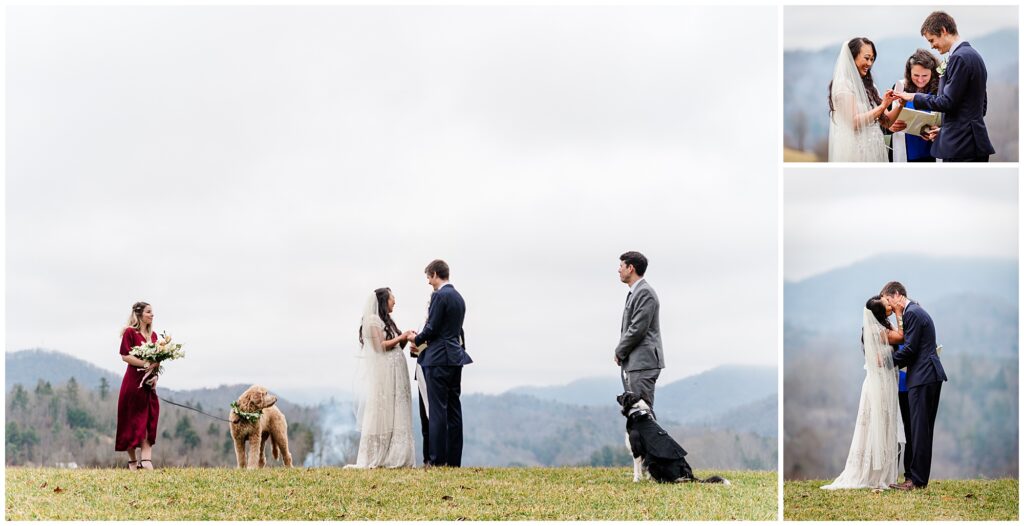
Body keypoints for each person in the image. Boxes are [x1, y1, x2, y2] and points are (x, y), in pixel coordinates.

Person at [822, 295, 905, 490]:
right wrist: (900, 314)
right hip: (878, 385)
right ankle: (872, 474)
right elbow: (901, 337)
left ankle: (880, 471)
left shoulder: (882, 326)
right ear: (878, 314)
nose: (890, 307)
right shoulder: (877, 330)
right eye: (886, 306)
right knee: (876, 425)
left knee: (884, 424)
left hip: (885, 382)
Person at [893, 11, 996, 162]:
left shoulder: (959, 58)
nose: (932, 46)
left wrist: (913, 97)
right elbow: (981, 107)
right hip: (971, 142)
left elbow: (947, 102)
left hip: (960, 147)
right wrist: (945, 130)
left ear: (943, 30)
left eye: (932, 40)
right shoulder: (973, 55)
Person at [882, 282, 947, 490]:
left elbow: (910, 349)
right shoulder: (913, 312)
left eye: (889, 300)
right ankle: (917, 479)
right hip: (925, 376)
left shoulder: (912, 314)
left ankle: (916, 481)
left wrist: (886, 362)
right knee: (921, 429)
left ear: (898, 295)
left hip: (923, 376)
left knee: (920, 430)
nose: (890, 307)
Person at [346, 288, 417, 469]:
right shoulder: (372, 321)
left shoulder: (387, 321)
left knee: (397, 409)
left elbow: (395, 343)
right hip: (385, 373)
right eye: (393, 298)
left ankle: (399, 453)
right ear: (384, 301)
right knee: (384, 410)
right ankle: (380, 454)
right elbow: (380, 346)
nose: (395, 302)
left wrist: (406, 337)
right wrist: (401, 336)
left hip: (397, 371)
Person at [411, 259, 472, 467]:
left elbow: (432, 328)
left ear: (436, 274)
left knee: (437, 410)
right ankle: (454, 460)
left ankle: (437, 460)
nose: (429, 282)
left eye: (429, 277)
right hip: (455, 358)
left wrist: (415, 339)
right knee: (454, 409)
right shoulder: (459, 298)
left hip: (437, 359)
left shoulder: (439, 296)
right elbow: (457, 330)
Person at [828, 37, 903, 162]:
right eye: (866, 58)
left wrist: (900, 104)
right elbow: (854, 123)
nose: (870, 63)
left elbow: (887, 122)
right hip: (855, 153)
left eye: (872, 59)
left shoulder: (870, 87)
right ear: (852, 57)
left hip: (875, 150)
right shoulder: (843, 85)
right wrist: (882, 105)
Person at [614, 251, 665, 412]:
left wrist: (619, 351)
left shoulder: (645, 292)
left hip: (643, 363)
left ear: (631, 268)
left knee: (642, 413)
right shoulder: (636, 292)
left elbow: (637, 329)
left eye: (621, 266)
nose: (618, 270)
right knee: (639, 414)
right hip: (636, 363)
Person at [115, 301, 160, 470]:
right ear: (140, 314)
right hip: (133, 384)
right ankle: (133, 461)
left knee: (149, 420)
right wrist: (145, 364)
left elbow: (156, 362)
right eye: (149, 312)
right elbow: (125, 356)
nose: (152, 315)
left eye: (152, 312)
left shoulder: (154, 336)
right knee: (131, 421)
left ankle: (146, 460)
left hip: (149, 386)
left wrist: (154, 376)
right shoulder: (130, 333)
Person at [889, 50, 940, 162]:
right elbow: (883, 120)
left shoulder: (940, 90)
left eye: (925, 75)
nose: (920, 80)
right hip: (905, 153)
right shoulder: (899, 87)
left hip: (932, 154)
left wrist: (940, 130)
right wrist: (890, 127)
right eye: (916, 75)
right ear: (909, 72)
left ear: (932, 73)